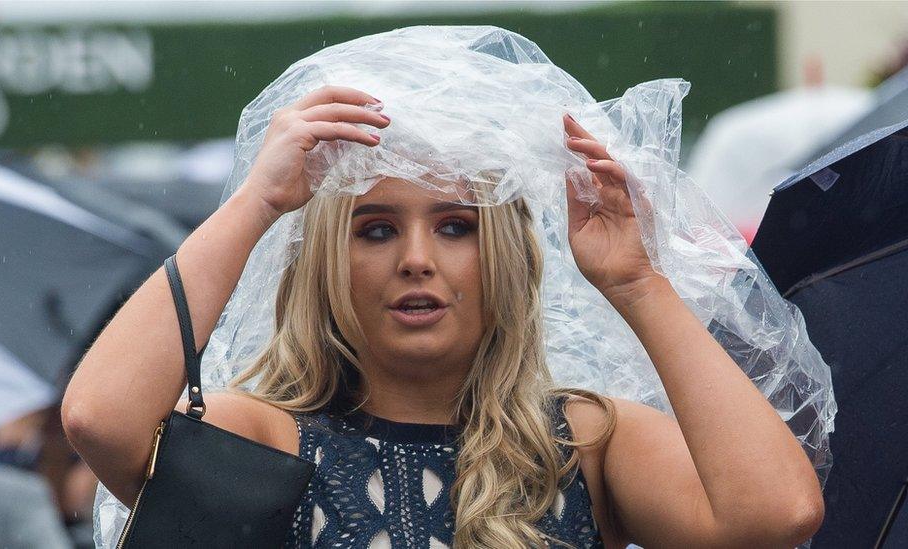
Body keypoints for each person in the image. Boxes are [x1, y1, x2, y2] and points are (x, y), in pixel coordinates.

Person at [62, 86, 824, 548]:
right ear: (328, 262)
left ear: (504, 255)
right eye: (376, 228)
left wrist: (634, 281)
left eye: (457, 225)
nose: (417, 258)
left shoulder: (586, 440)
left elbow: (776, 514)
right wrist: (258, 202)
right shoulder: (267, 438)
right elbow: (101, 417)